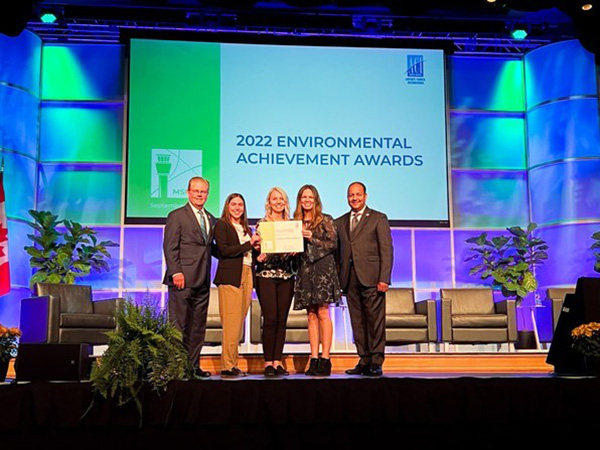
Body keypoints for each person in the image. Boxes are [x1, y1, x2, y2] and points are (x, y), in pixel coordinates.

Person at [335, 182, 393, 377]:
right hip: (349, 279)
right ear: (347, 198)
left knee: (375, 321)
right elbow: (338, 253)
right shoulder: (340, 221)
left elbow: (386, 250)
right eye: (351, 195)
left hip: (373, 278)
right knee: (357, 322)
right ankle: (364, 359)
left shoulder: (378, 218)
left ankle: (376, 361)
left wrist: (384, 277)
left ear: (365, 196)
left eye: (358, 194)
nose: (355, 198)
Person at [163, 176, 215, 378]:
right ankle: (176, 368)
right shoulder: (177, 215)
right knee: (178, 325)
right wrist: (176, 271)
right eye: (196, 191)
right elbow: (170, 246)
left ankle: (192, 366)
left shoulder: (210, 218)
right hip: (182, 279)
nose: (200, 195)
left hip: (203, 279)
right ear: (188, 192)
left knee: (197, 326)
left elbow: (212, 248)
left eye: (204, 192)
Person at [293, 184, 341, 377]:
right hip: (305, 269)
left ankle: (326, 358)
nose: (307, 200)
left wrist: (312, 237)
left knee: (322, 312)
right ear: (299, 200)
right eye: (304, 197)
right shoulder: (295, 221)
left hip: (322, 269)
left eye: (310, 197)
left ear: (316, 200)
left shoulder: (325, 219)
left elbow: (333, 244)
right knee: (310, 314)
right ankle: (313, 358)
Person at [213, 193, 261, 378]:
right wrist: (249, 244)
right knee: (231, 324)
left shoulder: (246, 228)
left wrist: (258, 253)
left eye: (240, 204)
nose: (237, 207)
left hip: (247, 274)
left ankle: (233, 364)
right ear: (227, 206)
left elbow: (248, 252)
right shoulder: (222, 225)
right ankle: (227, 366)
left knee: (238, 323)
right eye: (233, 204)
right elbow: (224, 251)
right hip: (231, 276)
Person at [255, 187, 296, 377]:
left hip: (287, 277)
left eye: (281, 198)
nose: (278, 202)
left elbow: (293, 254)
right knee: (270, 319)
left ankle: (278, 362)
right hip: (266, 277)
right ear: (269, 202)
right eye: (274, 199)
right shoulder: (262, 224)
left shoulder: (291, 225)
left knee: (281, 320)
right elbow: (256, 250)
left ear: (285, 202)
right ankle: (268, 363)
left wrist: (296, 250)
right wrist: (259, 256)